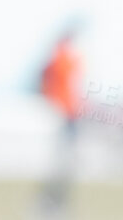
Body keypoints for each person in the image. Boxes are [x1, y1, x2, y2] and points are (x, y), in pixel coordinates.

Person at [36, 29, 84, 215]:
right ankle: (50, 203)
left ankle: (55, 203)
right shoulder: (62, 59)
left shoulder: (67, 59)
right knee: (61, 164)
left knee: (65, 164)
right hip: (64, 116)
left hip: (69, 115)